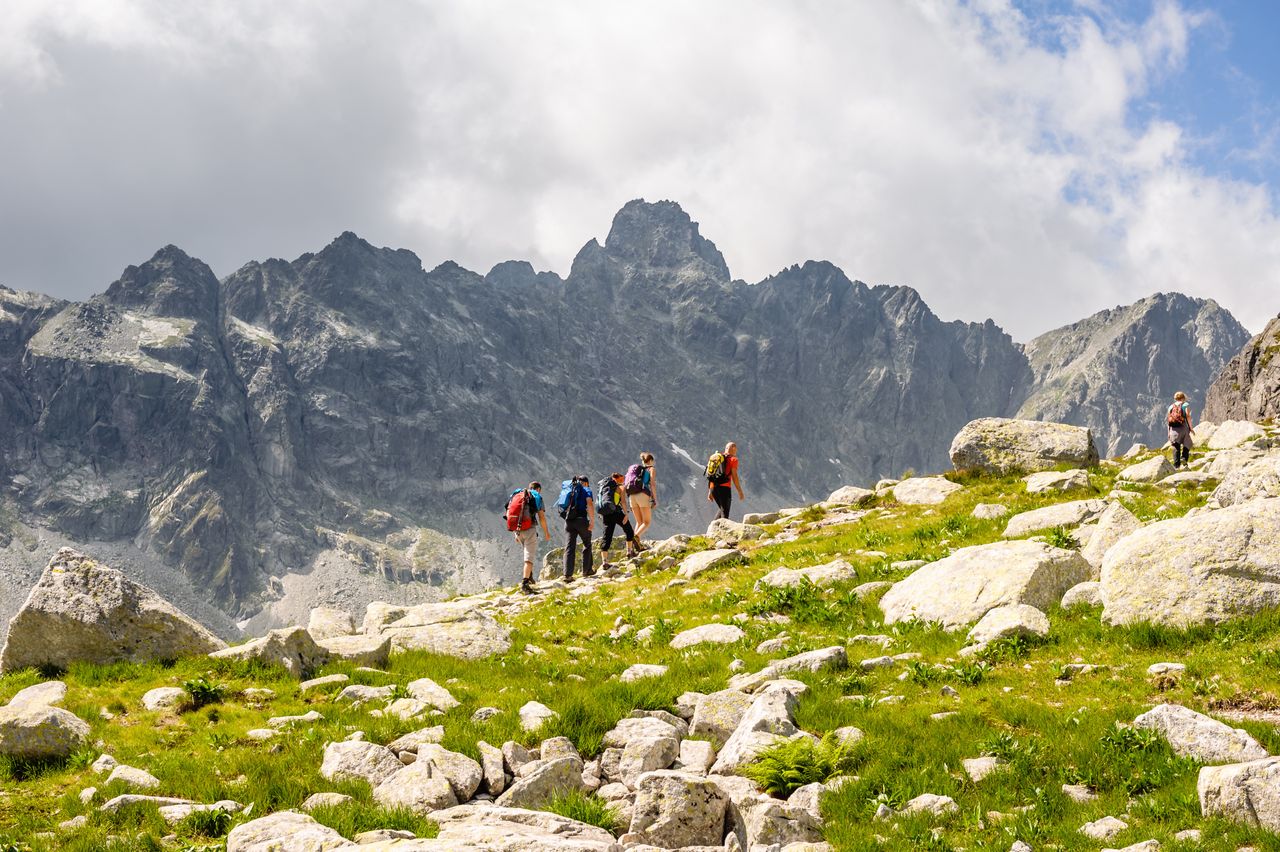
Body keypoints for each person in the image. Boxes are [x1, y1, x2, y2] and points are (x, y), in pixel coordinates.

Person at [505, 481, 550, 595]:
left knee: (526, 552)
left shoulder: (517, 494)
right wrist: (546, 532)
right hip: (529, 529)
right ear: (538, 489)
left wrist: (515, 532)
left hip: (518, 529)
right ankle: (525, 584)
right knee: (529, 557)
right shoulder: (536, 496)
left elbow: (510, 513)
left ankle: (529, 577)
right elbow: (541, 517)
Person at [558, 475, 596, 581]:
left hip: (569, 521)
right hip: (581, 520)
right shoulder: (586, 489)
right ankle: (587, 570)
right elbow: (589, 503)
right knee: (587, 543)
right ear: (586, 483)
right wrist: (592, 520)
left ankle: (567, 575)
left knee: (569, 547)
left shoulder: (570, 489)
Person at [597, 472, 639, 566]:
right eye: (622, 477)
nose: (624, 479)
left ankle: (605, 562)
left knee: (606, 537)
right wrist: (626, 514)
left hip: (606, 514)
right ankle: (629, 552)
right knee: (629, 531)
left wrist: (601, 513)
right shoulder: (620, 487)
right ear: (618, 478)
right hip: (617, 513)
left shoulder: (603, 488)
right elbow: (623, 502)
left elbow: (601, 501)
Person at [627, 452, 658, 547]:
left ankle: (633, 546)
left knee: (639, 522)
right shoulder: (651, 469)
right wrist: (654, 499)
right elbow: (652, 484)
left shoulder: (637, 471)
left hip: (632, 496)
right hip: (643, 495)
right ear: (651, 460)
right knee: (646, 522)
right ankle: (635, 537)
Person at [707, 441, 745, 519]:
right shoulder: (733, 459)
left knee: (722, 510)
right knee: (725, 514)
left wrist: (710, 491)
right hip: (724, 489)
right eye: (735, 448)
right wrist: (740, 491)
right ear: (733, 449)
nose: (736, 451)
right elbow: (734, 476)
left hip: (714, 488)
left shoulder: (717, 459)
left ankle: (712, 528)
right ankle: (717, 530)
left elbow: (711, 475)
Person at [1166, 391, 1195, 469]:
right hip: (1183, 428)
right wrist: (1191, 428)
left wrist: (1169, 432)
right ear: (1183, 398)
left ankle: (1176, 465)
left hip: (1173, 429)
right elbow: (1188, 416)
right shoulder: (1185, 405)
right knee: (1188, 443)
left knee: (1176, 446)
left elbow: (1169, 419)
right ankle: (1184, 458)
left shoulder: (1171, 407)